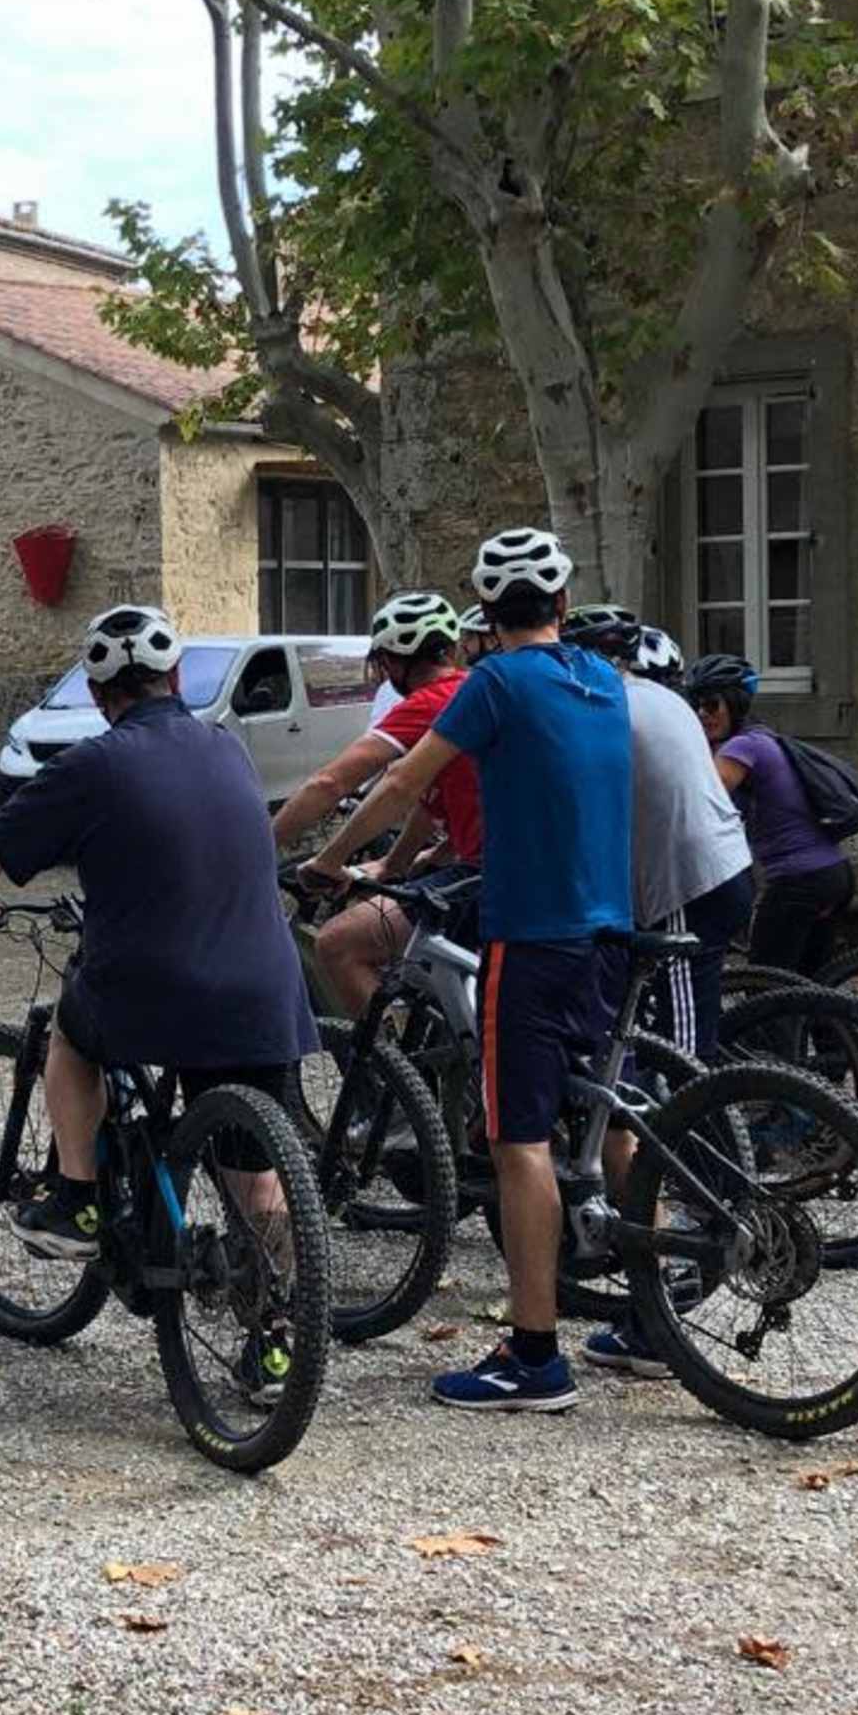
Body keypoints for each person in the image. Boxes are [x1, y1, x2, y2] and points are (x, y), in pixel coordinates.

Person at [301, 528, 630, 1416]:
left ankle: (533, 1355)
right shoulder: (603, 679)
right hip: (614, 925)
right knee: (610, 1114)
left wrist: (333, 860)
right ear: (563, 606)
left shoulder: (494, 682)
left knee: (515, 1139)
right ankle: (649, 1318)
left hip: (532, 931)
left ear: (485, 616)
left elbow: (405, 784)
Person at [0, 606, 317, 1331]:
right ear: (174, 677)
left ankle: (78, 1195)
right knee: (255, 1174)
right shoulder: (228, 749)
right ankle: (275, 1339)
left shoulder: (91, 765)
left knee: (71, 1039)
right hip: (266, 985)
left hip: (158, 991)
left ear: (97, 691)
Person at [267, 589, 484, 1019]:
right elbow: (431, 805)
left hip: (484, 874)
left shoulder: (426, 703)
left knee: (338, 945)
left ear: (396, 661)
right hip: (496, 865)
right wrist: (395, 863)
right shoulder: (468, 689)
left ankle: (395, 1078)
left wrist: (271, 849)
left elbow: (330, 783)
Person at [566, 608, 751, 1058]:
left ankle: (695, 1124)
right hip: (721, 864)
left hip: (685, 883)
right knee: (656, 1007)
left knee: (683, 1046)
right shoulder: (657, 695)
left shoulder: (605, 708)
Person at [693, 658, 853, 972]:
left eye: (712, 705)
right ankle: (830, 1023)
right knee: (809, 987)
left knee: (763, 988)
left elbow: (702, 802)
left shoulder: (740, 749)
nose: (702, 714)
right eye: (696, 705)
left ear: (736, 705)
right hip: (833, 873)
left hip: (798, 881)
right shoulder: (763, 737)